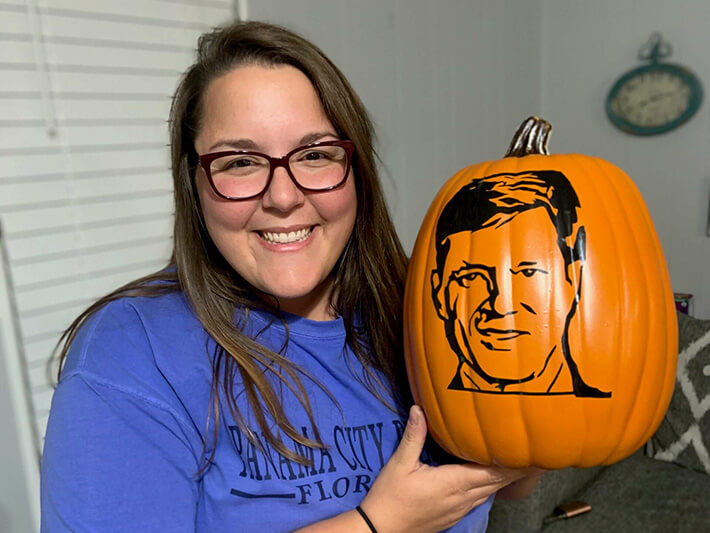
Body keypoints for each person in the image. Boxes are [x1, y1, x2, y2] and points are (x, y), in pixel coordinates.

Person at [40, 21, 541, 533]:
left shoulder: (429, 307)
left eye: (314, 154)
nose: (282, 197)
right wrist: (378, 524)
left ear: (356, 169)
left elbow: (507, 476)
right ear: (195, 182)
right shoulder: (133, 352)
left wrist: (532, 440)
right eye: (240, 162)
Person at [430, 170, 611, 397]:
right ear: (440, 295)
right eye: (472, 276)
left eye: (528, 272)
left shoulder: (629, 421)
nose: (500, 306)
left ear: (573, 281)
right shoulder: (399, 405)